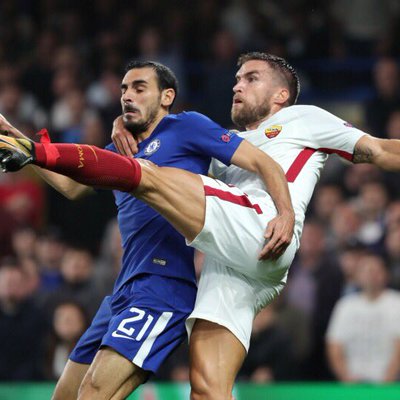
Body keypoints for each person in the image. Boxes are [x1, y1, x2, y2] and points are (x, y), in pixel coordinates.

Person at [5, 51, 400, 398]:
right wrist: (122, 124)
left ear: (281, 94)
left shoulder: (304, 118)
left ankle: (48, 153)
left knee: (149, 176)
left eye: (251, 78)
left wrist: (286, 213)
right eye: (236, 78)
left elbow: (380, 150)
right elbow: (93, 178)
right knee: (208, 389)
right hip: (230, 264)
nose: (237, 85)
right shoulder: (222, 143)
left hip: (264, 226)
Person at [326, 253, 400, 382]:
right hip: (353, 383)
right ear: (357, 276)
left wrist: (388, 380)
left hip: (390, 384)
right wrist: (346, 377)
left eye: (376, 271)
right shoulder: (345, 306)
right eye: (366, 271)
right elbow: (334, 346)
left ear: (386, 274)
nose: (371, 275)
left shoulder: (396, 303)